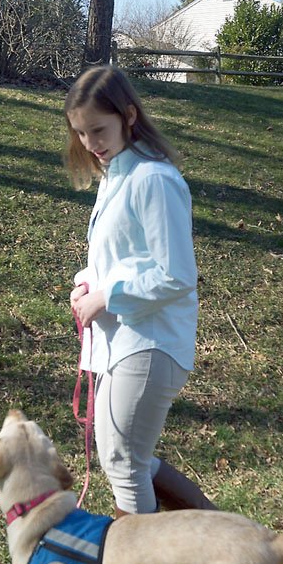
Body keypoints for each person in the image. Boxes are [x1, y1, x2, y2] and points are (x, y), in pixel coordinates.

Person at [64, 64, 217, 518]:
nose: (91, 144)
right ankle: (222, 542)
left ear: (129, 115)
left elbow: (176, 275)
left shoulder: (153, 179)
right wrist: (87, 283)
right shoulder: (116, 175)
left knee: (123, 462)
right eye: (82, 133)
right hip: (126, 342)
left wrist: (107, 297)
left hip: (151, 342)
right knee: (128, 458)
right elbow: (126, 259)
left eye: (99, 129)